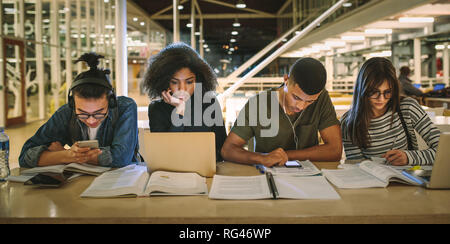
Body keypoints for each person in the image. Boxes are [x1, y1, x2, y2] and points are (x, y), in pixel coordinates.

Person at [19, 53, 140, 168]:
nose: (91, 120)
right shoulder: (66, 112)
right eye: (83, 114)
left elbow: (122, 158)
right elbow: (25, 157)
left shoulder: (125, 107)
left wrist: (60, 154)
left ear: (111, 101)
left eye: (99, 113)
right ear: (72, 103)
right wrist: (67, 155)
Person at [221, 57, 342, 167]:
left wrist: (286, 155)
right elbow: (228, 150)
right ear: (286, 80)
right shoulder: (258, 104)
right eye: (296, 97)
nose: (301, 106)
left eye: (310, 102)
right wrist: (262, 158)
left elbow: (335, 150)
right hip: (268, 175)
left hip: (309, 177)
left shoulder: (322, 99)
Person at [341, 58, 440, 166]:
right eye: (374, 92)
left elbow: (444, 150)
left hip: (409, 181)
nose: (381, 99)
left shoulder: (407, 108)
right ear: (362, 90)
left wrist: (409, 157)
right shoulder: (349, 122)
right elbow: (357, 167)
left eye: (387, 92)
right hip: (372, 182)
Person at [143, 42, 227, 161]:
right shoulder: (156, 109)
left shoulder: (209, 103)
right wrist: (180, 110)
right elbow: (165, 153)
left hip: (204, 171)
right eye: (175, 82)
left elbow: (223, 149)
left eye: (189, 82)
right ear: (165, 82)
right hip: (170, 173)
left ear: (198, 81)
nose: (182, 89)